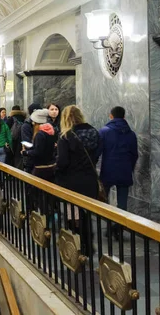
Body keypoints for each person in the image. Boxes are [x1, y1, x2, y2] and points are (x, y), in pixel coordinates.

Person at [55, 105, 101, 253]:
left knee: (73, 216)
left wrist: (56, 170)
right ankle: (88, 243)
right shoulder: (94, 132)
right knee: (86, 214)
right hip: (90, 180)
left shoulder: (66, 136)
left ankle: (76, 246)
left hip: (72, 183)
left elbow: (63, 162)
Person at [99, 106, 138, 232]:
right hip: (125, 170)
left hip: (108, 170)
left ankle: (108, 225)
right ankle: (119, 227)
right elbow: (134, 154)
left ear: (111, 116)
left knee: (104, 200)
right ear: (124, 117)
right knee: (122, 202)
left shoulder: (104, 131)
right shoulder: (131, 134)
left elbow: (98, 151)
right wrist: (129, 167)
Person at [22, 109, 56, 182]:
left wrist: (26, 152)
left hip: (40, 168)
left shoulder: (40, 134)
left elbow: (38, 152)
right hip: (50, 165)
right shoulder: (50, 132)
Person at [21, 103, 41, 173]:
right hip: (31, 160)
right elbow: (26, 143)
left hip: (44, 161)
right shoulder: (26, 126)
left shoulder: (45, 124)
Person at [6, 105, 27, 169]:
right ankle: (19, 172)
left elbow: (7, 130)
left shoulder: (11, 118)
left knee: (11, 156)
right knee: (19, 157)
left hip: (13, 140)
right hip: (22, 139)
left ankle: (11, 173)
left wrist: (6, 141)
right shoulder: (24, 118)